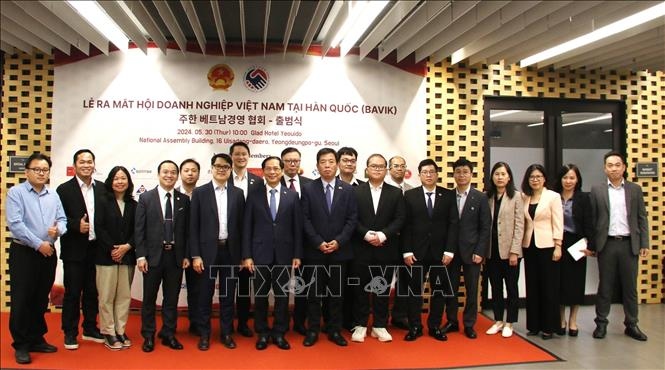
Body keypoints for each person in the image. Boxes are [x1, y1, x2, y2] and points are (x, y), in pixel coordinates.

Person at [6, 153, 66, 364]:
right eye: (37, 169)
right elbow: (16, 224)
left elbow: (62, 219)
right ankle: (21, 344)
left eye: (45, 170)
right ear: (27, 171)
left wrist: (59, 229)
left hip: (48, 252)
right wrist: (38, 244)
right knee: (22, 299)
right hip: (24, 252)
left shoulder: (53, 195)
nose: (41, 173)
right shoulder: (16, 193)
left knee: (41, 298)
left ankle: (36, 338)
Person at [242, 156, 303, 350]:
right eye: (268, 169)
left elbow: (297, 228)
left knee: (282, 296)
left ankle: (279, 332)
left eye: (276, 168)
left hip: (285, 255)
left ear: (282, 170)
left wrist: (297, 254)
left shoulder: (291, 195)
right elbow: (247, 227)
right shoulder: (254, 195)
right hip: (259, 254)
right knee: (260, 297)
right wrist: (247, 255)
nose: (272, 172)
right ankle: (262, 332)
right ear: (263, 172)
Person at [589, 151, 649, 341]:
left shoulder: (635, 189)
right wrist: (592, 244)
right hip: (606, 244)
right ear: (604, 168)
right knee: (605, 286)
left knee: (630, 287)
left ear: (623, 167)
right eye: (609, 165)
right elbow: (593, 219)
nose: (613, 168)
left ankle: (631, 324)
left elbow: (642, 218)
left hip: (629, 244)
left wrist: (644, 243)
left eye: (617, 164)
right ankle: (601, 323)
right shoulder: (597, 190)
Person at [301, 148, 358, 347]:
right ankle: (313, 330)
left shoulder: (348, 189)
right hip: (314, 252)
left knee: (336, 295)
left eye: (331, 161)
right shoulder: (308, 188)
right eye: (323, 162)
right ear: (317, 166)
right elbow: (305, 219)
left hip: (339, 252)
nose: (327, 165)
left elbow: (352, 219)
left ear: (337, 165)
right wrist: (317, 242)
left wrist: (338, 241)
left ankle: (335, 330)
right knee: (314, 294)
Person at [190, 153, 245, 350]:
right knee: (204, 296)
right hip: (206, 254)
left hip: (230, 253)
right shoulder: (200, 192)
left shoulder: (238, 194)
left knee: (228, 297)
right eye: (218, 166)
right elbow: (193, 226)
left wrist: (242, 255)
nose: (221, 169)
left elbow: (242, 227)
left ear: (230, 170)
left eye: (225, 167)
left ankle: (226, 333)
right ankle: (204, 334)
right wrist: (195, 255)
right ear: (211, 168)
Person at [135, 160, 190, 352]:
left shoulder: (183, 200)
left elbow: (186, 231)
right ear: (158, 174)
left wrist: (186, 255)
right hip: (152, 257)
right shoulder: (146, 198)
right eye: (165, 172)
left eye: (173, 172)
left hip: (175, 257)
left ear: (177, 176)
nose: (169, 175)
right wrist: (141, 256)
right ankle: (148, 335)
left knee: (171, 299)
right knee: (149, 299)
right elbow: (139, 230)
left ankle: (168, 333)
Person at [350, 154, 405, 343]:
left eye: (381, 166)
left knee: (382, 289)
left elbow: (399, 219)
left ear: (386, 170)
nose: (377, 169)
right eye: (373, 166)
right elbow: (352, 219)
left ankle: (380, 325)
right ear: (366, 168)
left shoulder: (395, 193)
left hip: (386, 248)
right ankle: (361, 324)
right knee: (360, 290)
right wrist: (366, 234)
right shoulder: (355, 192)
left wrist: (382, 235)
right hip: (361, 248)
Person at [401, 159, 458, 342]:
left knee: (439, 291)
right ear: (419, 175)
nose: (428, 175)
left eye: (432, 172)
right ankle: (415, 326)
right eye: (424, 172)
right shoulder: (410, 196)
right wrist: (407, 251)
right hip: (416, 253)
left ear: (437, 174)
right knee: (414, 291)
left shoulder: (448, 195)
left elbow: (453, 224)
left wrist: (449, 251)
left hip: (440, 254)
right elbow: (406, 226)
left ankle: (434, 326)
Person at [56, 149, 106, 349]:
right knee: (73, 293)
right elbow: (57, 217)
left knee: (93, 292)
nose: (86, 165)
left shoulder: (102, 189)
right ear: (75, 165)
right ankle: (70, 332)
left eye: (90, 161)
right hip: (74, 250)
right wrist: (76, 225)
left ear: (94, 164)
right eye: (82, 162)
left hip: (97, 249)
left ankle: (90, 328)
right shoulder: (63, 189)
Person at [443, 158, 491, 339]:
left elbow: (485, 227)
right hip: (450, 252)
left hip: (472, 253)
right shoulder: (447, 197)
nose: (461, 175)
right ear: (453, 174)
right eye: (458, 172)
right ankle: (452, 321)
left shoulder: (480, 198)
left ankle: (469, 324)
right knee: (451, 289)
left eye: (465, 172)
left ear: (471, 174)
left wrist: (480, 251)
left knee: (471, 291)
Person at [94, 166, 137, 350]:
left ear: (129, 182)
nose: (120, 181)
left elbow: (139, 230)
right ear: (110, 182)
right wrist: (114, 249)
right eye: (116, 178)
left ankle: (120, 329)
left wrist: (127, 247)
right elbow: (99, 227)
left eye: (123, 178)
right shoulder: (102, 201)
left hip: (127, 256)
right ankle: (108, 332)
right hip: (106, 256)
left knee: (123, 296)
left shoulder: (134, 204)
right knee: (106, 296)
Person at [521, 164, 563, 340]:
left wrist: (558, 245)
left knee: (548, 287)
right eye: (532, 177)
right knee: (532, 285)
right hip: (529, 245)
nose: (535, 180)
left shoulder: (553, 197)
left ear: (544, 178)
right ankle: (534, 325)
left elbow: (558, 221)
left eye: (538, 176)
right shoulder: (524, 197)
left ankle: (549, 326)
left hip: (547, 246)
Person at [484, 162, 524, 338]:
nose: (500, 177)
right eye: (497, 174)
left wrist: (515, 251)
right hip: (492, 251)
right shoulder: (487, 196)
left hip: (510, 252)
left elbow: (519, 225)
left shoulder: (517, 197)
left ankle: (510, 322)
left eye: (503, 174)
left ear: (509, 177)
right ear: (492, 177)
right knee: (496, 287)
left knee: (511, 287)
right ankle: (498, 320)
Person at [554, 164, 593, 337]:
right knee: (560, 282)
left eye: (572, 178)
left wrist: (590, 246)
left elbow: (589, 222)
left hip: (577, 243)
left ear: (577, 180)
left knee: (576, 283)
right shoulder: (554, 197)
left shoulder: (584, 198)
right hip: (557, 242)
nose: (568, 181)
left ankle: (573, 320)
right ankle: (561, 319)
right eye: (565, 177)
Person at [228, 142, 262, 338]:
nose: (241, 157)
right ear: (231, 156)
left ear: (248, 157)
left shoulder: (257, 182)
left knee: (243, 285)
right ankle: (226, 323)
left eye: (244, 154)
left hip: (250, 241)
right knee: (227, 284)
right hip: (227, 241)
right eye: (237, 154)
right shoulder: (224, 179)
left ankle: (242, 322)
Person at [280, 147, 312, 335]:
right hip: (281, 242)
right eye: (288, 160)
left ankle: (300, 322)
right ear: (282, 162)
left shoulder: (309, 184)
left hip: (306, 242)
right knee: (281, 286)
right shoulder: (271, 182)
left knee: (303, 285)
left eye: (296, 160)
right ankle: (281, 323)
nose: (292, 164)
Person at [384, 155, 412, 329]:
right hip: (386, 242)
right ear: (389, 168)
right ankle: (381, 317)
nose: (399, 169)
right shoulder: (383, 189)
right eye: (395, 166)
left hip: (407, 242)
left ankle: (399, 315)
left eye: (402, 166)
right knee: (384, 280)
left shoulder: (411, 189)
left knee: (405, 280)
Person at [177, 158, 202, 336]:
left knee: (196, 289)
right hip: (176, 251)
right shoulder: (174, 194)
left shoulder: (204, 193)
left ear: (199, 174)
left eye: (194, 170)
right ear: (180, 173)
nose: (190, 173)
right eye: (186, 170)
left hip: (198, 250)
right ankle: (169, 327)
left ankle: (196, 322)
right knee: (172, 290)